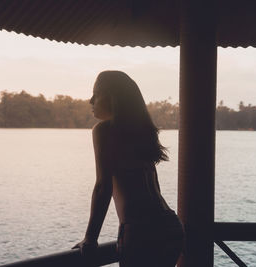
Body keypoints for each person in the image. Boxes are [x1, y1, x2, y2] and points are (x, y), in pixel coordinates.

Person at [72, 71, 184, 267]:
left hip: (140, 230)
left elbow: (102, 186)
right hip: (170, 225)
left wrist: (90, 238)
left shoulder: (104, 130)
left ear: (111, 97)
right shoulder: (142, 131)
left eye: (96, 93)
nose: (91, 100)